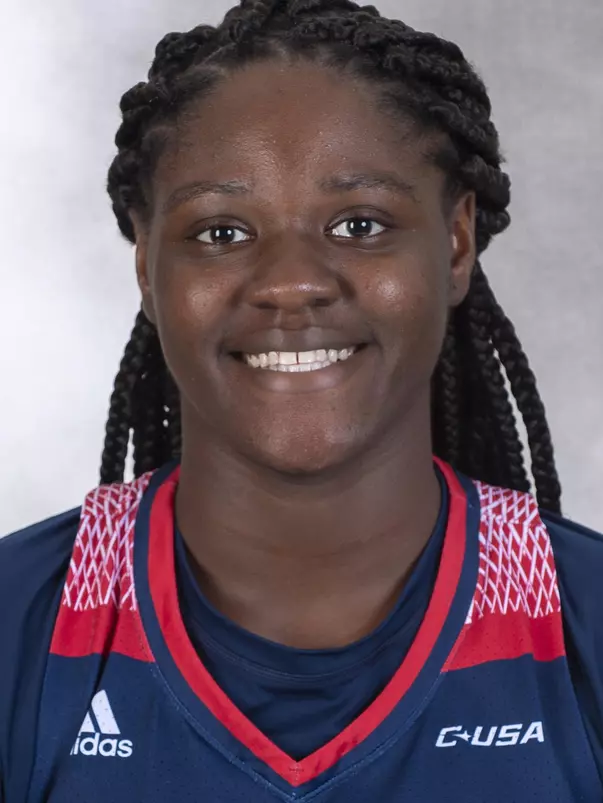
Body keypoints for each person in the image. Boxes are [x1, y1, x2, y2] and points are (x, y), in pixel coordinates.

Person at [1, 0, 601, 800]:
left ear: (454, 242)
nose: (291, 282)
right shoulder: (23, 625)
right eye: (220, 231)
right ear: (146, 265)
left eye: (358, 223)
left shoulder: (578, 622)